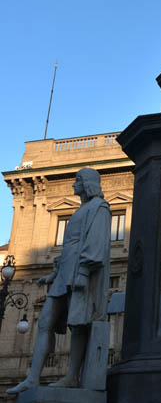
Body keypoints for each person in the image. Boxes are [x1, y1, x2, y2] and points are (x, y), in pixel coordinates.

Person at [7, 167, 110, 394]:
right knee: (45, 323)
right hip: (64, 274)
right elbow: (69, 248)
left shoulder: (99, 208)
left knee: (78, 323)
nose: (74, 185)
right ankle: (33, 378)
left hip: (80, 273)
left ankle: (72, 376)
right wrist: (53, 274)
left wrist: (84, 271)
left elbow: (96, 242)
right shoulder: (81, 210)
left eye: (77, 181)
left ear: (86, 183)